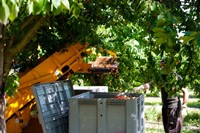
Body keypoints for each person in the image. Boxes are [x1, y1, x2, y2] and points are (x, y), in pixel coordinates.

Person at [133, 59, 189, 133]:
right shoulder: (161, 77)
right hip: (165, 106)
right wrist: (140, 87)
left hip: (173, 107)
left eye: (164, 65)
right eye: (161, 66)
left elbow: (186, 92)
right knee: (167, 128)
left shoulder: (176, 77)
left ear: (170, 66)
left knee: (172, 129)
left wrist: (184, 106)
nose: (162, 68)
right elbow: (150, 83)